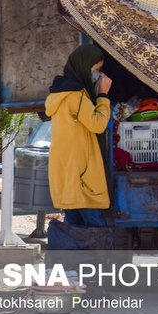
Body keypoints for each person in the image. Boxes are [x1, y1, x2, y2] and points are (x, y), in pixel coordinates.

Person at [45, 43, 113, 227]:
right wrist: (104, 95)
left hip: (67, 174)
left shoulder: (58, 94)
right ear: (84, 66)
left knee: (74, 230)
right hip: (82, 177)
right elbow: (98, 124)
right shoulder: (76, 95)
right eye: (96, 69)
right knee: (96, 229)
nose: (97, 75)